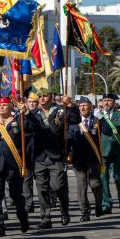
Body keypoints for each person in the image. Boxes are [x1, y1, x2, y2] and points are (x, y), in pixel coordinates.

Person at [0, 97, 34, 236]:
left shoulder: (19, 121)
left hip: (13, 164)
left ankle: (23, 220)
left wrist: (25, 113)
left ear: (11, 107)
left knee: (16, 196)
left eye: (5, 105)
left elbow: (32, 127)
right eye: (0, 105)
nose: (2, 107)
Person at [28, 91, 78, 229]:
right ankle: (45, 218)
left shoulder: (60, 110)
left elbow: (76, 119)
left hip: (56, 156)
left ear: (51, 97)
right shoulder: (32, 113)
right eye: (40, 96)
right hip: (39, 156)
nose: (42, 99)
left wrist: (70, 104)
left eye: (45, 96)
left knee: (58, 186)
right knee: (42, 188)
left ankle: (64, 210)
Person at [67, 97, 110, 222]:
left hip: (93, 158)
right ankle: (85, 211)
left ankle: (98, 203)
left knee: (95, 184)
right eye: (80, 106)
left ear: (90, 107)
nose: (82, 108)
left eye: (85, 105)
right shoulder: (74, 122)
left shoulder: (97, 120)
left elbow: (108, 131)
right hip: (78, 159)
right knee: (82, 185)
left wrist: (102, 117)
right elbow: (69, 138)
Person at [98, 92, 120, 213]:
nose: (106, 103)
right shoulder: (97, 116)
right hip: (103, 155)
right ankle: (107, 204)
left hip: (117, 153)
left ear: (114, 103)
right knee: (103, 178)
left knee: (119, 179)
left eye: (109, 101)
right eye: (104, 100)